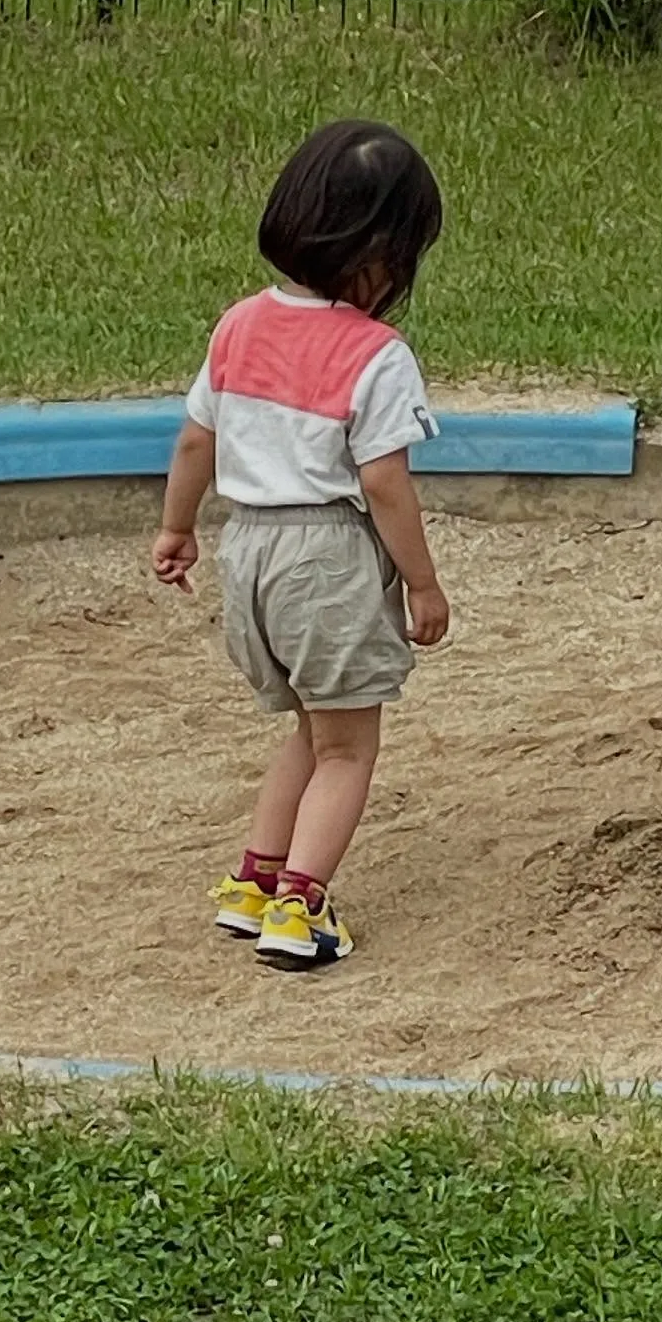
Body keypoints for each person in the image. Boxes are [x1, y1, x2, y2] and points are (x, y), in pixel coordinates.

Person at [152, 119, 450, 970]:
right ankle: (299, 908)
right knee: (350, 747)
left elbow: (194, 443)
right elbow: (385, 482)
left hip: (248, 553)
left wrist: (177, 528)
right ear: (383, 255)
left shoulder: (238, 325)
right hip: (325, 561)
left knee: (308, 730)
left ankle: (255, 882)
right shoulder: (376, 354)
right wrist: (422, 586)